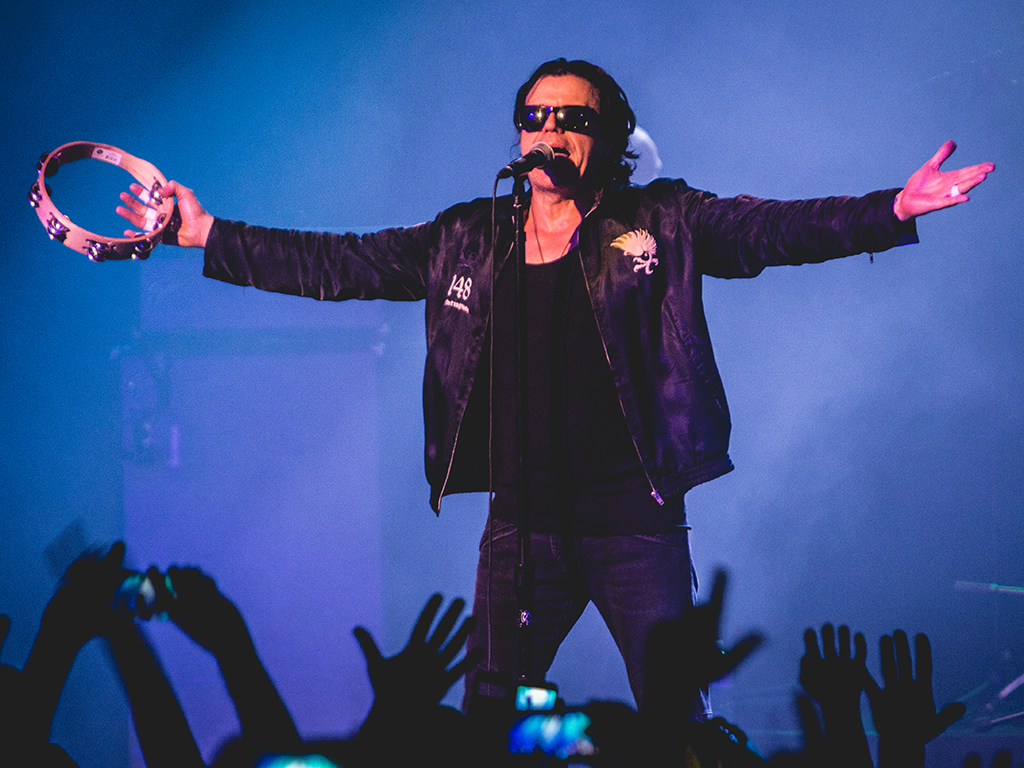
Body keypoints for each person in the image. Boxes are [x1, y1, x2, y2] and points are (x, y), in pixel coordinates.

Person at [117, 57, 994, 719]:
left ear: (611, 139)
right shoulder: (466, 238)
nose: (551, 131)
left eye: (574, 118)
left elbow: (773, 231)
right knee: (488, 728)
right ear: (519, 137)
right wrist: (206, 234)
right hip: (519, 532)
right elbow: (338, 264)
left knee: (673, 723)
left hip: (635, 527)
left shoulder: (663, 221)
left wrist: (891, 208)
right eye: (536, 117)